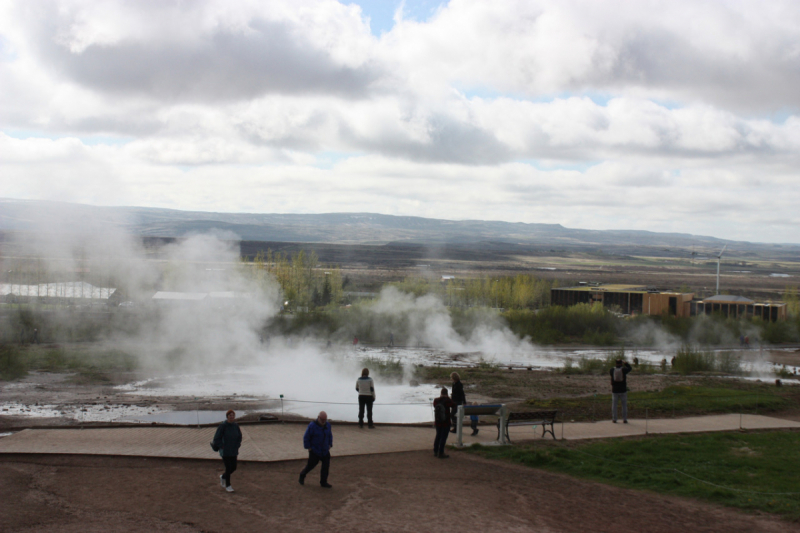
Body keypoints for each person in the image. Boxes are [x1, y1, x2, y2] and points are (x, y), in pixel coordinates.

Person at [299, 411, 333, 488]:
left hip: (325, 450)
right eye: (322, 419)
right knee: (311, 465)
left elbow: (330, 435)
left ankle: (323, 482)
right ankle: (302, 475)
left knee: (326, 467)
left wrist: (330, 444)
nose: (323, 421)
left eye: (325, 419)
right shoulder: (312, 426)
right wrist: (309, 448)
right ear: (318, 418)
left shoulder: (328, 425)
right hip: (315, 450)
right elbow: (306, 437)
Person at [212, 409, 242, 493]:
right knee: (228, 467)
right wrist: (222, 446)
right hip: (225, 451)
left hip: (233, 450)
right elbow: (216, 438)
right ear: (227, 416)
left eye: (233, 415)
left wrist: (238, 445)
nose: (232, 417)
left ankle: (223, 477)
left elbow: (239, 436)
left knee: (234, 467)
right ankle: (228, 486)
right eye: (230, 415)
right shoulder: (223, 426)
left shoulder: (236, 426)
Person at [432, 388, 456, 458]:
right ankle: (441, 452)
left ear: (441, 393)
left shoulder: (436, 400)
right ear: (447, 393)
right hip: (446, 422)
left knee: (438, 436)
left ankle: (435, 451)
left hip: (438, 421)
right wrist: (449, 398)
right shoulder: (448, 400)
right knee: (443, 437)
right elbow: (453, 405)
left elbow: (434, 406)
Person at [610, 359, 632, 424]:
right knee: (624, 405)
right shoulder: (624, 370)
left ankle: (614, 419)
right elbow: (630, 368)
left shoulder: (612, 370)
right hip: (623, 389)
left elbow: (611, 376)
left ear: (615, 363)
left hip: (615, 390)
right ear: (621, 364)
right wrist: (626, 363)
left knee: (614, 405)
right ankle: (624, 419)